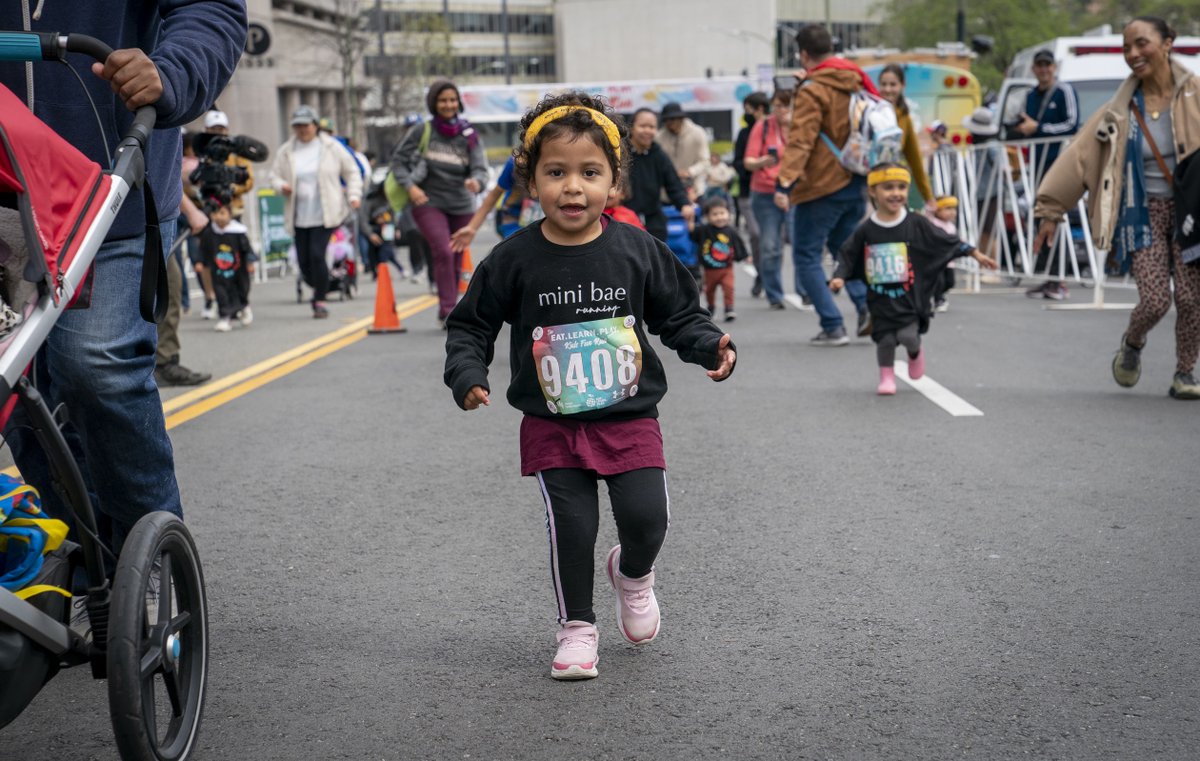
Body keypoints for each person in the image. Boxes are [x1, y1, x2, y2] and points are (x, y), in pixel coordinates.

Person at [443, 91, 736, 681]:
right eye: (556, 172)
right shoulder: (512, 258)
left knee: (646, 518)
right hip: (553, 421)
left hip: (629, 415)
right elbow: (471, 324)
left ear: (614, 182)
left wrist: (709, 345)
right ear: (531, 180)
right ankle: (577, 628)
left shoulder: (637, 250)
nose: (572, 187)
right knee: (572, 527)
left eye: (589, 173)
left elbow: (679, 314)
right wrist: (467, 373)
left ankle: (633, 575)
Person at [0, 1, 245, 558]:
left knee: (95, 366)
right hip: (5, 199)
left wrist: (171, 71)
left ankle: (150, 564)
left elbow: (210, 9)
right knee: (19, 393)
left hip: (107, 190)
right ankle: (89, 570)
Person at [1034, 16, 1200, 400]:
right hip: (1140, 212)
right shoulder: (1120, 109)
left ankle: (1185, 373)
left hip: (1190, 212)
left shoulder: (1194, 95)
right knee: (1156, 300)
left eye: (1141, 43)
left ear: (1168, 43)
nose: (1133, 54)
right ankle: (1133, 341)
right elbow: (1078, 157)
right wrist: (1050, 210)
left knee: (1192, 299)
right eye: (1127, 47)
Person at [830, 164, 996, 394]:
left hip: (910, 296)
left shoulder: (915, 223)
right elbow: (848, 254)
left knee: (907, 335)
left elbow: (944, 240)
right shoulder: (866, 229)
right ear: (873, 192)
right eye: (888, 188)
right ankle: (886, 377)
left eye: (901, 187)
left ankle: (915, 353)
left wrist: (974, 253)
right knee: (885, 339)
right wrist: (839, 277)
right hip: (880, 298)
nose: (896, 193)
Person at [777, 23, 879, 346]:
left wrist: (784, 182)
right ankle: (866, 308)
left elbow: (801, 141)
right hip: (856, 180)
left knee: (806, 256)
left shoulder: (813, 90)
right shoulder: (854, 81)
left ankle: (833, 325)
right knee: (843, 249)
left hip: (821, 186)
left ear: (803, 54)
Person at [389, 80, 489, 326]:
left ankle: (452, 305)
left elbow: (480, 169)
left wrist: (476, 182)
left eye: (452, 100)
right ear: (434, 103)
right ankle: (447, 310)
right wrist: (411, 188)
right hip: (428, 201)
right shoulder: (422, 131)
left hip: (461, 203)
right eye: (443, 100)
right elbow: (398, 161)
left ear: (459, 103)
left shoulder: (469, 133)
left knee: (455, 255)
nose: (448, 104)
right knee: (443, 251)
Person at [270, 104, 363, 319]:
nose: (303, 130)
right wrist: (281, 186)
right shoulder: (286, 151)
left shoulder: (331, 147)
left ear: (315, 125)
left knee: (317, 255)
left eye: (306, 125)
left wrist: (353, 195)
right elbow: (274, 176)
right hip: (298, 213)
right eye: (298, 126)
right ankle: (322, 285)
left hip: (326, 212)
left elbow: (352, 172)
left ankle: (319, 300)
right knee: (304, 262)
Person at [1011, 50, 1080, 301]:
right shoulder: (1029, 96)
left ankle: (1060, 279)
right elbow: (1025, 128)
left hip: (1060, 167)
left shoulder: (1064, 92)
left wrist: (1038, 128)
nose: (1043, 69)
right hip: (1037, 169)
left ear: (1054, 67)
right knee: (1042, 218)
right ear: (1033, 69)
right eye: (1039, 65)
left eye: (1047, 65)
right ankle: (1049, 276)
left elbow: (1073, 124)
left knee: (1055, 217)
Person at [743, 88, 802, 311]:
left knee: (800, 243)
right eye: (778, 105)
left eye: (787, 105)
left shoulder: (801, 125)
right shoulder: (764, 125)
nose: (782, 110)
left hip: (796, 191)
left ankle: (804, 291)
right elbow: (748, 161)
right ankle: (775, 294)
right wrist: (763, 162)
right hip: (766, 191)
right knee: (770, 246)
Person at [626, 108, 695, 241]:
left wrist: (684, 204)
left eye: (652, 127)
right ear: (632, 128)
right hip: (624, 216)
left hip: (653, 216)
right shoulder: (620, 153)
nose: (647, 131)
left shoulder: (658, 154)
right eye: (642, 126)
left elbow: (673, 183)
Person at [876, 64, 935, 208]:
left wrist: (928, 197)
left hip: (894, 186)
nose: (888, 89)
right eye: (884, 84)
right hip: (871, 188)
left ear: (902, 85)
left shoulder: (904, 117)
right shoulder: (871, 112)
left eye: (893, 84)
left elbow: (915, 159)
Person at [732, 92, 770, 296]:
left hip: (773, 191)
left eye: (749, 108)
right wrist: (753, 168)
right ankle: (761, 274)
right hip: (748, 192)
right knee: (756, 234)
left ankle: (769, 277)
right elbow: (739, 162)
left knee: (773, 240)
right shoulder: (744, 134)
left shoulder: (774, 130)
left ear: (760, 108)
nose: (746, 113)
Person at [197, 200, 254, 332]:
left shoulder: (238, 232)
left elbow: (247, 249)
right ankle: (224, 318)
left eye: (222, 213)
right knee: (221, 293)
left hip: (238, 272)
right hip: (218, 272)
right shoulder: (210, 233)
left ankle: (244, 307)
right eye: (215, 213)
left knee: (241, 291)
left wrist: (250, 262)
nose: (218, 217)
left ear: (230, 214)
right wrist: (200, 262)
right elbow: (204, 249)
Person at [689, 196, 747, 321]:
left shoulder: (731, 230)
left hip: (727, 267)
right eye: (715, 214)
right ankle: (711, 308)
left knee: (729, 288)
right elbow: (693, 234)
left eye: (722, 213)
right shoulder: (705, 230)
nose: (719, 217)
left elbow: (739, 244)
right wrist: (690, 220)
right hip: (710, 269)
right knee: (709, 290)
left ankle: (729, 309)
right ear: (707, 217)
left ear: (728, 213)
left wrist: (746, 256)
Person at [657, 101, 710, 194]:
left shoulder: (697, 133)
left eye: (672, 119)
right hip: (666, 191)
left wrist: (690, 172)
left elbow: (705, 162)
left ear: (681, 118)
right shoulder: (659, 137)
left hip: (693, 189)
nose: (669, 122)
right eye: (666, 119)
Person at [928, 195, 961, 312]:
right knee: (939, 281)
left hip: (949, 261)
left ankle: (938, 294)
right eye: (948, 209)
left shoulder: (951, 227)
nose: (952, 212)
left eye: (954, 209)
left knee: (950, 282)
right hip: (937, 261)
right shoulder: (932, 223)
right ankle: (938, 299)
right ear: (937, 210)